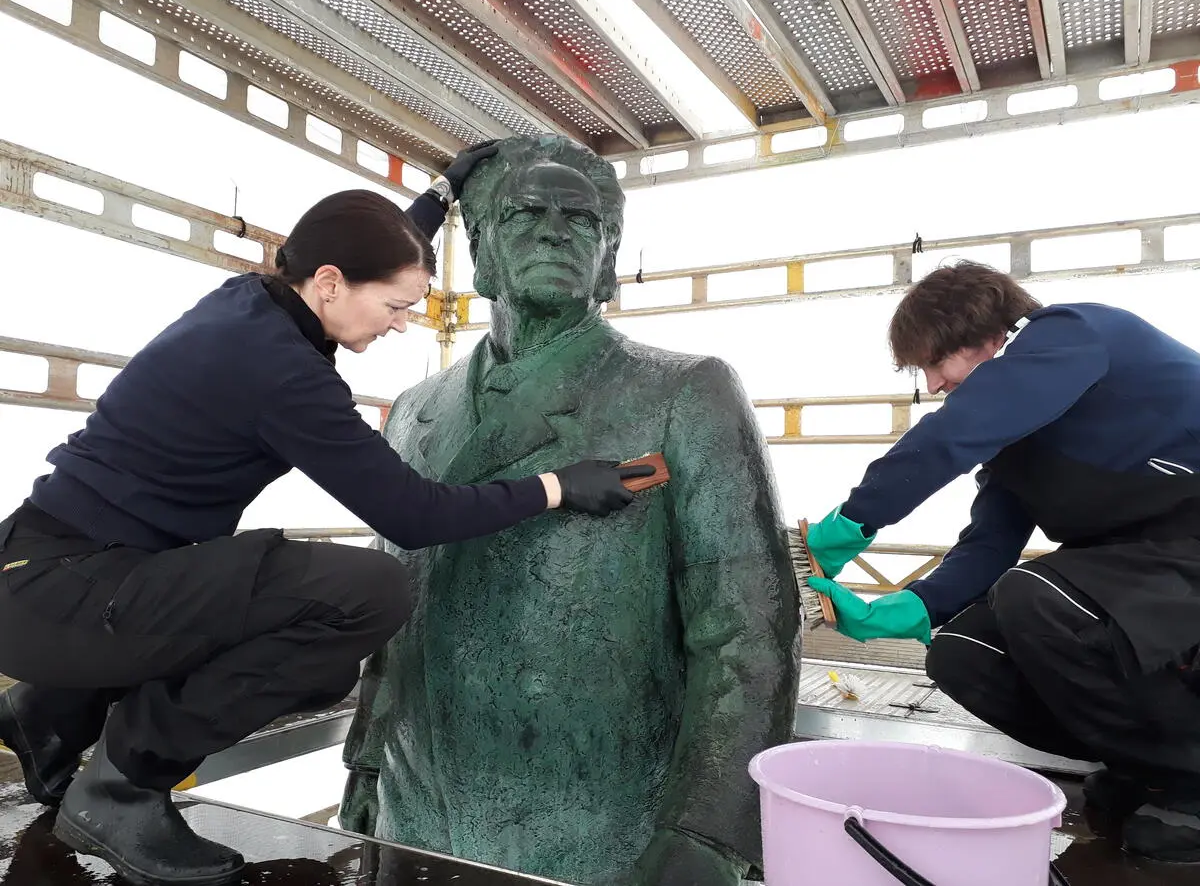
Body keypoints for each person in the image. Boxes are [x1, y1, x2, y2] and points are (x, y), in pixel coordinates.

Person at [0, 141, 653, 886]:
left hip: (43, 578)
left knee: (319, 665)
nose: (401, 324)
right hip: (68, 597)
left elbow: (361, 251)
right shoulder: (281, 373)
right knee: (366, 594)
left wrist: (440, 196)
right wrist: (558, 486)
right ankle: (120, 788)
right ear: (333, 283)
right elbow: (413, 513)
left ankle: (49, 712)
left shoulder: (253, 304)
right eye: (397, 307)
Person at [339, 134, 799, 886]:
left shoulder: (685, 394)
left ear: (609, 258)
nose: (555, 230)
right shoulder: (415, 413)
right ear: (481, 251)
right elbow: (395, 604)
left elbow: (749, 632)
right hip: (416, 810)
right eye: (526, 213)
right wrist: (365, 760)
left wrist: (710, 833)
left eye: (582, 221)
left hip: (601, 827)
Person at [804, 261, 1200, 864]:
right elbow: (990, 543)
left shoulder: (1076, 334)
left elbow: (951, 434)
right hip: (1139, 572)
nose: (934, 385)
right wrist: (914, 607)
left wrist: (855, 519)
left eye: (937, 364)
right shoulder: (1020, 439)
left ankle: (1190, 779)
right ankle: (1147, 765)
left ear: (992, 337)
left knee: (1036, 599)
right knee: (964, 653)